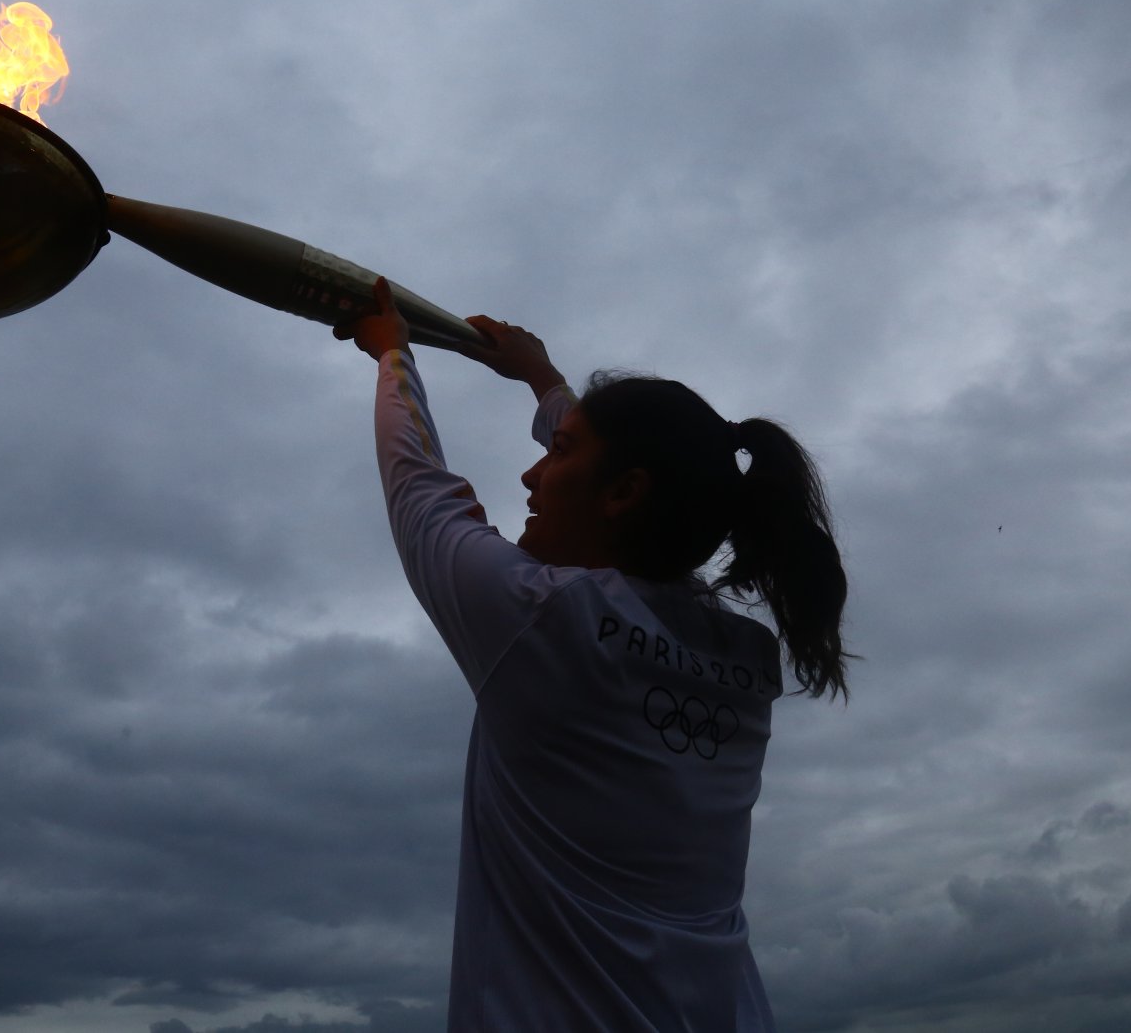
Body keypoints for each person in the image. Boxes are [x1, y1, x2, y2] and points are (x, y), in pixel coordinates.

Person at [335, 279, 852, 1033]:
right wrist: (544, 384)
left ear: (622, 494)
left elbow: (417, 483)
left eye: (559, 452)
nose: (532, 474)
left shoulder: (542, 617)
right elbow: (647, 482)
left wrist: (393, 352)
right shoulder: (745, 659)